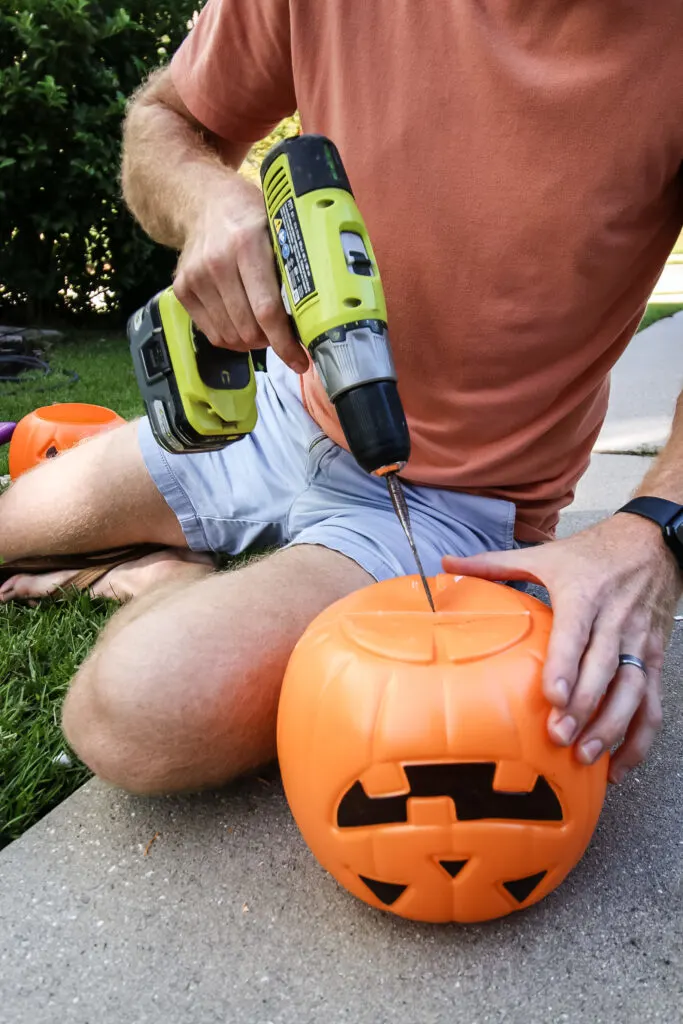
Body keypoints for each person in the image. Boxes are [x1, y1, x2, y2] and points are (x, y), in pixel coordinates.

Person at [1, 0, 681, 795]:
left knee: (135, 713)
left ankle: (167, 580)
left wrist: (655, 531)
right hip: (281, 412)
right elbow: (165, 120)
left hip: (450, 509)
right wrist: (210, 205)